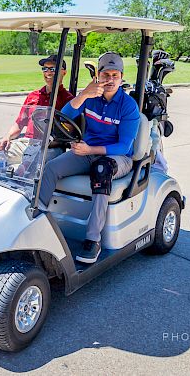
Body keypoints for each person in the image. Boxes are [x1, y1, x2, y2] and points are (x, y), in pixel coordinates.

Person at [38, 52, 140, 264]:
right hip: (88, 151)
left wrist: (90, 150)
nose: (110, 79)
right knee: (50, 168)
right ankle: (37, 221)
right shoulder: (91, 97)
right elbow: (65, 114)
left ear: (121, 77)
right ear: (98, 76)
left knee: (101, 170)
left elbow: (124, 145)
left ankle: (93, 240)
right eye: (105, 75)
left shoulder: (128, 106)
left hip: (117, 158)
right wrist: (84, 94)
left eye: (115, 75)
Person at [0, 55, 74, 167]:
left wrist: (49, 143)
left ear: (64, 73)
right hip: (26, 143)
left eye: (52, 69)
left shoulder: (69, 100)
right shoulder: (33, 96)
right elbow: (19, 124)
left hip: (50, 147)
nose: (48, 73)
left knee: (28, 166)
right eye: (45, 69)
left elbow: (67, 133)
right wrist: (6, 137)